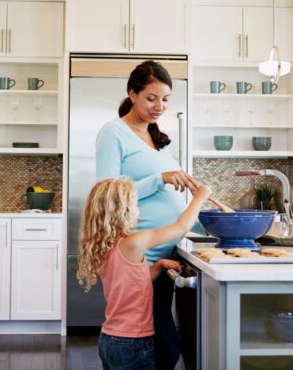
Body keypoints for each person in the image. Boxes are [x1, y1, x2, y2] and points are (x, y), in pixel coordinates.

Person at [95, 60, 199, 369]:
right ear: (132, 94)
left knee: (164, 345)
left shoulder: (156, 137)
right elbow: (107, 196)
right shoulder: (114, 132)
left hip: (164, 255)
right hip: (141, 259)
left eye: (165, 99)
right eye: (151, 98)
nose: (159, 106)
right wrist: (160, 179)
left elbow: (166, 192)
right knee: (159, 348)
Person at [77, 178, 211, 370]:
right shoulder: (133, 242)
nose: (137, 208)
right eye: (134, 203)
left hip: (110, 339)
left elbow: (131, 285)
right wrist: (199, 197)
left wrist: (157, 266)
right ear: (123, 211)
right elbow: (181, 227)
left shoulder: (106, 246)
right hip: (133, 343)